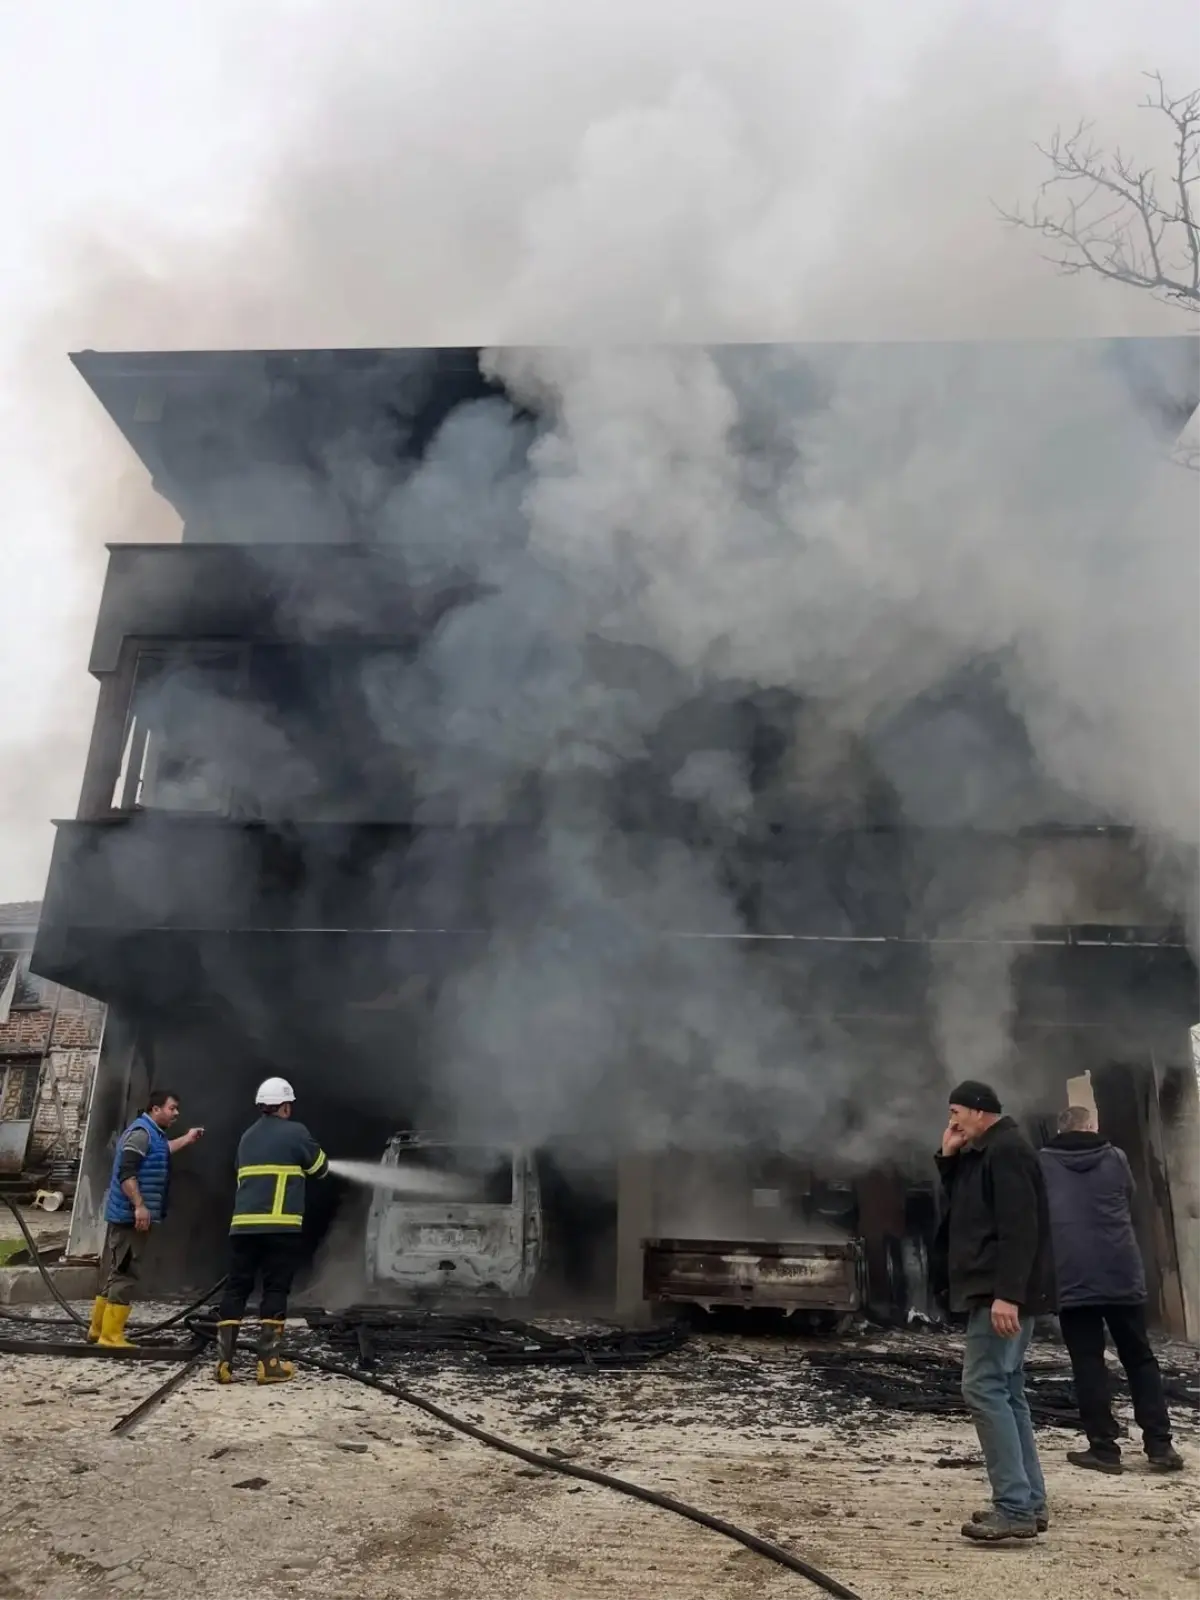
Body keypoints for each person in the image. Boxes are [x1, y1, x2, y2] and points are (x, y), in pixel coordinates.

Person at [934, 1079, 1056, 1544]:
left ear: (980, 1111)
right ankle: (1029, 1501)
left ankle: (1013, 1507)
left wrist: (1008, 1294)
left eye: (956, 1112)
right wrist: (948, 1158)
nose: (952, 1121)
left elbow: (1019, 1228)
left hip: (999, 1294)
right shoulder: (988, 1152)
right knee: (1007, 1389)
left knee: (983, 1387)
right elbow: (969, 1207)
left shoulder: (1007, 1152)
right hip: (997, 1291)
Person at [1040, 1105, 1184, 1474]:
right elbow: (1129, 1196)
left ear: (1062, 1129)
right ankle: (1159, 1445)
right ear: (1092, 1126)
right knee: (1139, 1358)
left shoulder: (1042, 1163)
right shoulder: (1115, 1158)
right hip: (1120, 1272)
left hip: (1073, 1275)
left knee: (1088, 1363)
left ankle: (1104, 1449)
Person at [213, 1076, 329, 1385]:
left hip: (242, 1228)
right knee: (275, 1290)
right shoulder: (296, 1132)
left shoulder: (247, 1137)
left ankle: (224, 1364)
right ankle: (269, 1365)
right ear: (286, 1106)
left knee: (236, 1289)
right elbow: (320, 1168)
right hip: (280, 1227)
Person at [91, 1088, 204, 1348]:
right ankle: (111, 1337)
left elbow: (160, 1152)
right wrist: (140, 1206)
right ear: (155, 1109)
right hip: (129, 1217)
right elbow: (126, 1172)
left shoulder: (151, 1134)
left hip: (129, 1215)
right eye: (171, 1108)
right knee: (125, 1274)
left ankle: (98, 1331)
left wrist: (186, 1139)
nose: (176, 1113)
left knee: (117, 1273)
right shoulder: (140, 1134)